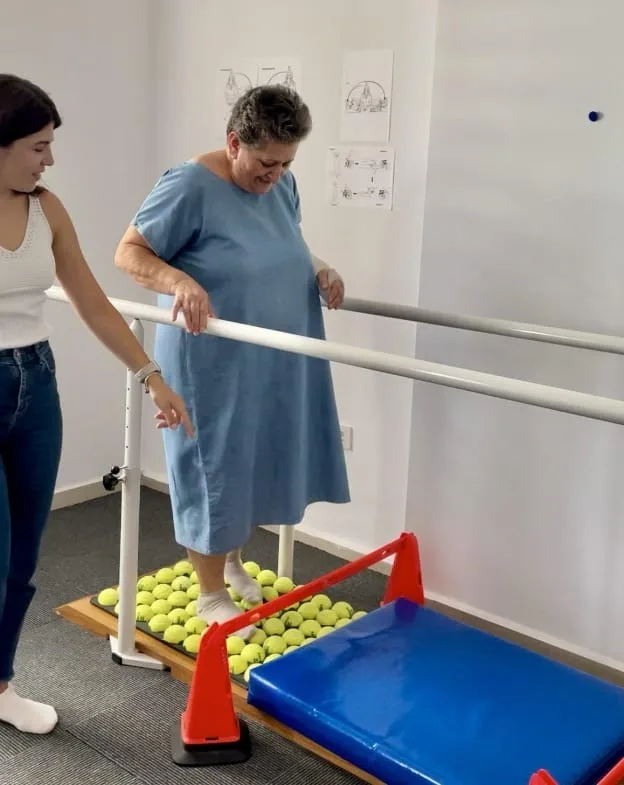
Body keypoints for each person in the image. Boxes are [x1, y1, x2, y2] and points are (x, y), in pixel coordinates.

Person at [115, 85, 350, 640]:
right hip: (211, 357)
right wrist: (179, 280)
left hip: (270, 354)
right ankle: (210, 594)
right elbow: (129, 253)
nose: (276, 174)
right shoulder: (189, 185)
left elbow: (284, 242)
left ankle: (231, 562)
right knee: (214, 465)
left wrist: (319, 267)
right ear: (234, 143)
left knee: (252, 457)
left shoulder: (282, 183)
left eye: (286, 163)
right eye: (266, 162)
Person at [0, 74, 193, 735]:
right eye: (37, 146)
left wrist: (151, 375)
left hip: (34, 386)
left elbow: (89, 298)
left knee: (23, 558)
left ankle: (0, 684)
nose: (49, 159)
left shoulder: (48, 210)